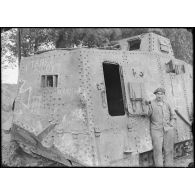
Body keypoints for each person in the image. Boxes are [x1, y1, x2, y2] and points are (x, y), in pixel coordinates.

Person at [146, 87, 176, 167]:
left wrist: (171, 124)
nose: (159, 96)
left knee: (169, 150)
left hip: (168, 129)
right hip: (156, 130)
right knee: (158, 150)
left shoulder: (167, 104)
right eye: (158, 94)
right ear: (155, 95)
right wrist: (147, 105)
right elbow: (147, 114)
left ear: (164, 95)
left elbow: (173, 116)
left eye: (161, 94)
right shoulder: (151, 104)